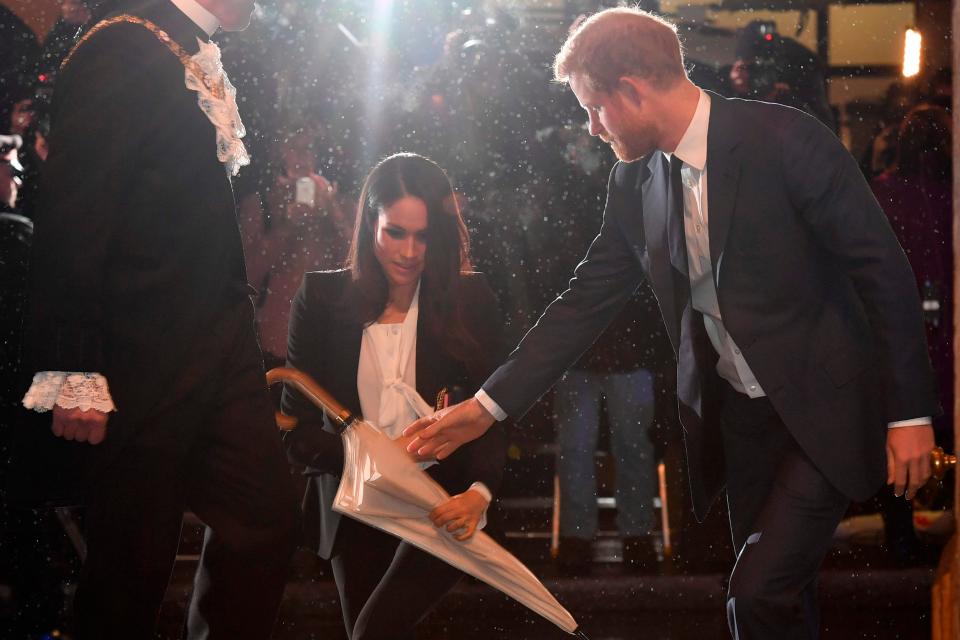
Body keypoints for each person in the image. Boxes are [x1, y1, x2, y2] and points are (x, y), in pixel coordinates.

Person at [405, 8, 938, 638]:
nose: (592, 128)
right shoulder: (634, 183)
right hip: (739, 418)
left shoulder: (786, 139)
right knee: (785, 598)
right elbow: (582, 305)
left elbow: (883, 272)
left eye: (594, 108)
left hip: (825, 406)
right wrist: (484, 407)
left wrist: (909, 415)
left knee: (756, 591)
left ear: (632, 89)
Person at [18, 0, 297, 637]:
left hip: (219, 348)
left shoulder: (191, 47)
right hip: (138, 360)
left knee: (268, 519)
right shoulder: (120, 45)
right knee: (127, 574)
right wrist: (73, 369)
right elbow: (72, 219)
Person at [280, 153, 507, 640]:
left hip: (443, 502)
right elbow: (294, 433)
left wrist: (479, 493)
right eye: (394, 232)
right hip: (355, 506)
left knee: (373, 634)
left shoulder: (470, 298)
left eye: (423, 236)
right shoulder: (320, 300)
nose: (408, 251)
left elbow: (495, 410)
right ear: (369, 226)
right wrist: (371, 461)